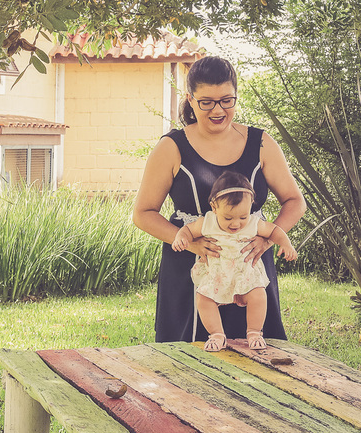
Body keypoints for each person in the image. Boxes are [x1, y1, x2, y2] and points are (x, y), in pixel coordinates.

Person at [132, 55, 307, 343]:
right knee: (189, 363)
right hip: (192, 268)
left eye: (227, 100)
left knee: (258, 362)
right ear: (190, 99)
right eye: (207, 102)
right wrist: (190, 241)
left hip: (249, 267)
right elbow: (143, 213)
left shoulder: (261, 143)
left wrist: (266, 239)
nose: (218, 110)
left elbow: (294, 200)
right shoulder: (171, 147)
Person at [172, 171, 298, 351]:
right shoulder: (207, 222)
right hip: (217, 275)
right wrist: (181, 238)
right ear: (214, 207)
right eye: (228, 218)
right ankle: (216, 334)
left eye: (243, 217)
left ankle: (254, 332)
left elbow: (274, 231)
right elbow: (187, 230)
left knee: (259, 295)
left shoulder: (253, 223)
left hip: (245, 274)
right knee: (203, 298)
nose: (236, 224)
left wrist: (286, 243)